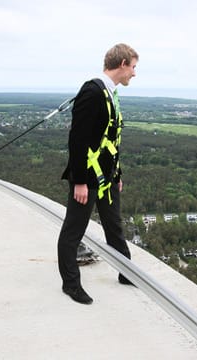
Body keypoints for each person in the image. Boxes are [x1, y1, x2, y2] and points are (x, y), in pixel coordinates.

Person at [57, 43, 139, 305]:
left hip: (108, 177)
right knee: (74, 230)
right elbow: (78, 140)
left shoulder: (109, 92)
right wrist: (79, 181)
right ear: (123, 63)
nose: (134, 74)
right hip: (88, 178)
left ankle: (127, 273)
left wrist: (117, 173)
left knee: (114, 226)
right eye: (133, 67)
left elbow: (111, 139)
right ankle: (71, 284)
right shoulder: (92, 92)